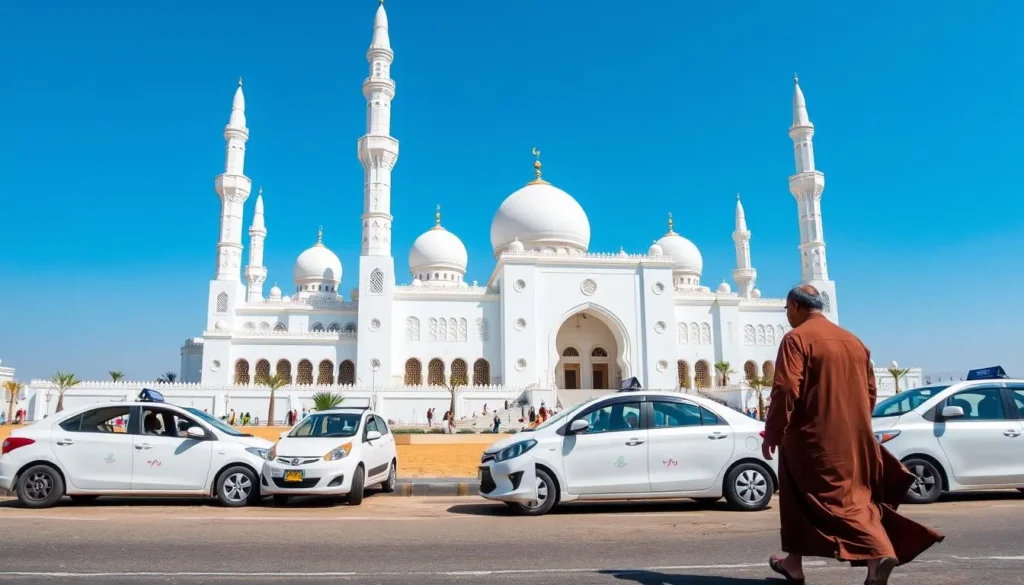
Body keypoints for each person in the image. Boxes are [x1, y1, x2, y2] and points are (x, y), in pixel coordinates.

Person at [763, 285, 943, 585]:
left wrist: (773, 431)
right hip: (856, 439)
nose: (787, 315)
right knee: (842, 496)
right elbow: (870, 392)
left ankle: (879, 552)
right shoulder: (854, 341)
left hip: (812, 441)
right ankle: (793, 563)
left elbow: (784, 389)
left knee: (839, 503)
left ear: (795, 305)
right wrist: (854, 422)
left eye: (786, 309)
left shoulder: (796, 339)